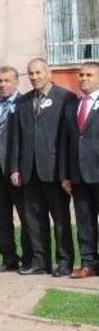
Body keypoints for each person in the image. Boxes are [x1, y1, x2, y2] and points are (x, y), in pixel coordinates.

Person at [8, 58, 76, 276]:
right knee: (34, 220)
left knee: (61, 220)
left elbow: (69, 137)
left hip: (54, 170)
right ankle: (40, 261)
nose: (34, 77)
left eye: (38, 72)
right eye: (31, 73)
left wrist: (67, 172)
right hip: (29, 171)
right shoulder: (23, 102)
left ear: (49, 73)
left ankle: (64, 261)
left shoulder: (66, 98)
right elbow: (16, 137)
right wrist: (14, 168)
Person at [0, 66, 33, 272]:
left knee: (26, 218)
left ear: (16, 81)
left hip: (18, 173)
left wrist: (18, 168)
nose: (2, 85)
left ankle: (29, 258)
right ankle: (8, 258)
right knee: (0, 220)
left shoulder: (25, 104)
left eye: (7, 80)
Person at [60, 62, 99, 279]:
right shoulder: (72, 106)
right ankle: (89, 263)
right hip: (79, 175)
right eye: (81, 75)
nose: (83, 78)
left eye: (89, 75)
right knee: (84, 222)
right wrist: (65, 174)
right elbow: (65, 141)